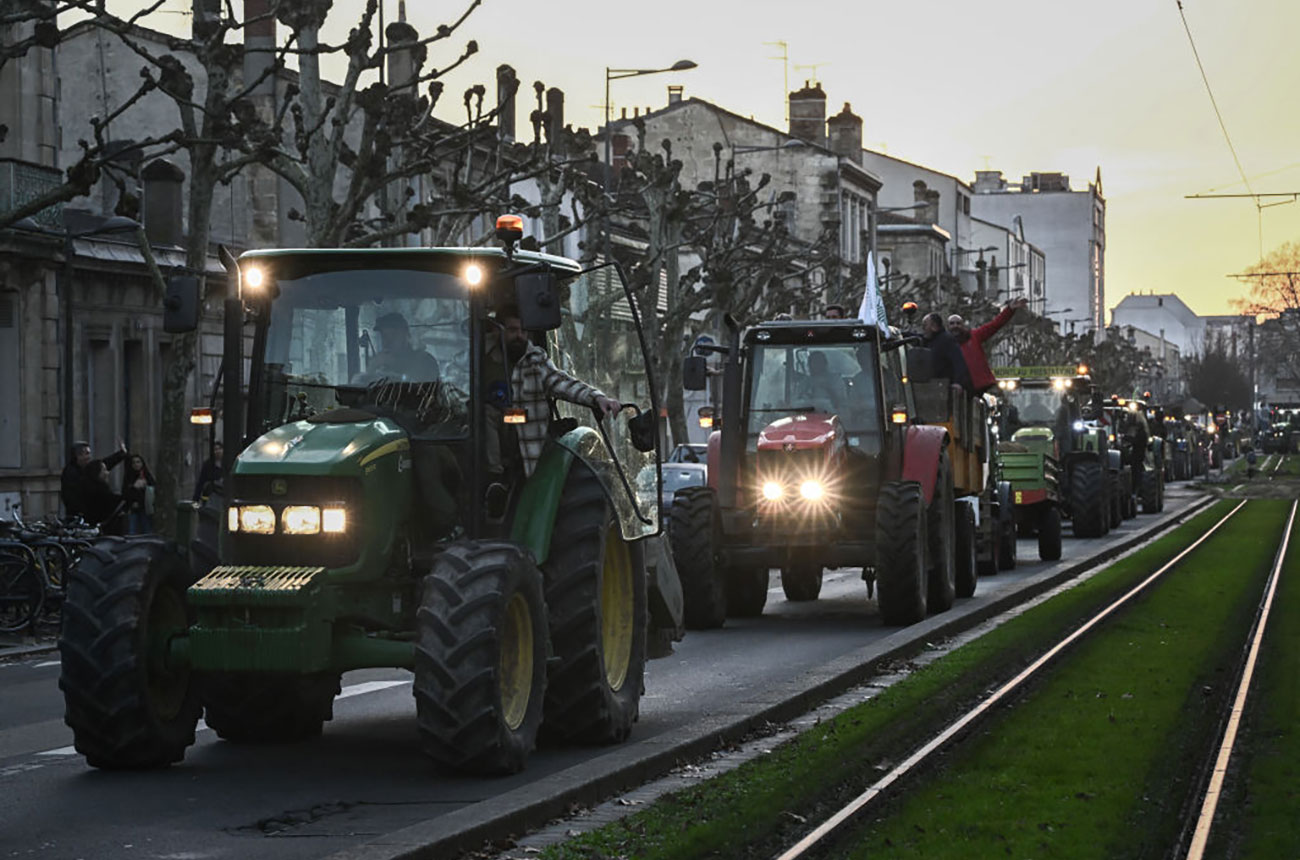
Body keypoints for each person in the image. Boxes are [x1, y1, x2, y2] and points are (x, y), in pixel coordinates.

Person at [486, 304, 622, 480]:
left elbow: (561, 382)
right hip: (474, 436)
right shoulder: (476, 358)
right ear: (498, 331)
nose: (519, 336)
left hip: (519, 424)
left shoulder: (534, 360)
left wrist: (597, 398)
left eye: (523, 331)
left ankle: (494, 478)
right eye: (512, 330)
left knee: (490, 413)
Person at [947, 297, 1028, 394]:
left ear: (963, 325)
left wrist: (1009, 309)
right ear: (948, 326)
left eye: (958, 323)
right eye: (952, 323)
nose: (955, 326)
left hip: (980, 385)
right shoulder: (946, 345)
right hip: (958, 388)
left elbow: (995, 325)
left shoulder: (974, 336)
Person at [61, 440, 126, 520]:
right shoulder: (70, 473)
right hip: (79, 517)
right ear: (78, 456)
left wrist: (121, 454)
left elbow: (102, 465)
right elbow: (71, 499)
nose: (89, 457)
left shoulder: (87, 468)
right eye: (87, 454)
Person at [367, 312, 441, 382]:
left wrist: (395, 364)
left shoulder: (425, 360)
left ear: (406, 335)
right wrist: (372, 368)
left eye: (393, 335)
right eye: (384, 336)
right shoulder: (381, 367)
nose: (388, 341)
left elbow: (421, 388)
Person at [919, 312, 973, 393]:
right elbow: (915, 337)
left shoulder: (947, 340)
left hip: (944, 389)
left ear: (934, 326)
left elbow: (959, 362)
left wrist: (958, 382)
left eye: (925, 325)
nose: (923, 328)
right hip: (930, 387)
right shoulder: (928, 340)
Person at [82, 459, 125, 535]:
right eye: (104, 470)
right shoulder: (100, 489)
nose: (107, 473)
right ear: (97, 472)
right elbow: (111, 502)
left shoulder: (89, 486)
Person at [121, 453, 156, 535]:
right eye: (134, 462)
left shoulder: (146, 475)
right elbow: (125, 493)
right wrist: (134, 487)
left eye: (138, 462)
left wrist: (146, 485)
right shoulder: (128, 476)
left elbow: (153, 488)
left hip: (145, 508)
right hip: (133, 509)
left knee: (147, 530)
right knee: (132, 531)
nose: (136, 464)